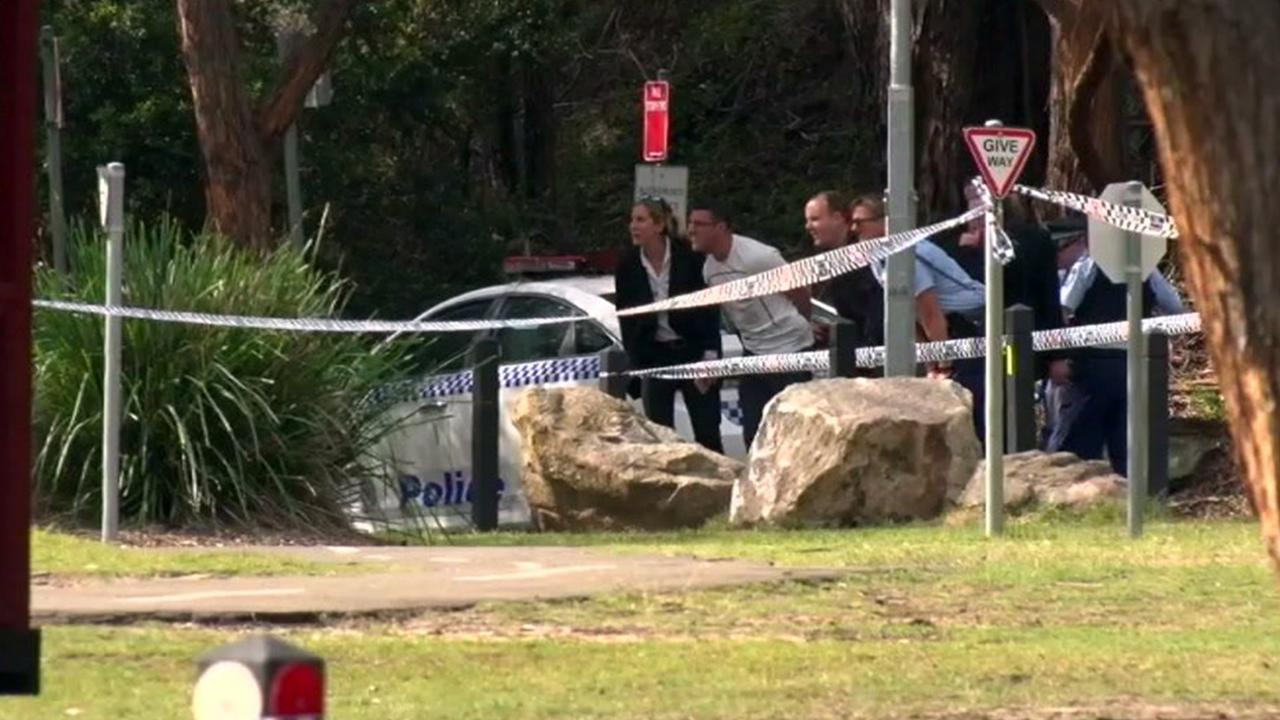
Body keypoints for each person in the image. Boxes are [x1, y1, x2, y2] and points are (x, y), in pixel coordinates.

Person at [1045, 211, 1185, 475]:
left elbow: (1063, 308)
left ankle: (1075, 507)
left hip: (1091, 368)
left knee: (1076, 449)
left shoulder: (1089, 264)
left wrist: (1059, 355)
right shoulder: (1146, 268)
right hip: (1132, 367)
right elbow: (1176, 309)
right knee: (1126, 448)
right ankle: (1130, 504)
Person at [851, 194, 990, 436]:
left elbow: (931, 313)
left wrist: (944, 367)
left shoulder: (907, 256)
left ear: (885, 222)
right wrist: (930, 364)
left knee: (972, 406)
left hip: (972, 322)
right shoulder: (878, 257)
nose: (854, 229)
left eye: (860, 222)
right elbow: (909, 311)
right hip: (946, 329)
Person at [687, 202, 814, 449]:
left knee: (790, 434)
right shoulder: (709, 270)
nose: (691, 230)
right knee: (754, 434)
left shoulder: (758, 257)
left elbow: (799, 291)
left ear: (721, 227)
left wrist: (804, 323)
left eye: (699, 224)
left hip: (789, 348)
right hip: (754, 353)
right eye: (689, 224)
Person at [615, 197, 724, 453]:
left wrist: (710, 353)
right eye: (632, 220)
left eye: (640, 220)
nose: (633, 226)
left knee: (707, 432)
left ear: (659, 225)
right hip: (655, 356)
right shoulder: (628, 264)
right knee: (661, 438)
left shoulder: (689, 255)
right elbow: (626, 317)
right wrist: (636, 364)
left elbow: (709, 306)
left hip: (692, 351)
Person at [803, 190, 884, 365]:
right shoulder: (827, 261)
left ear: (838, 218)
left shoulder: (866, 258)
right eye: (807, 220)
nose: (808, 226)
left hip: (873, 357)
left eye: (815, 219)